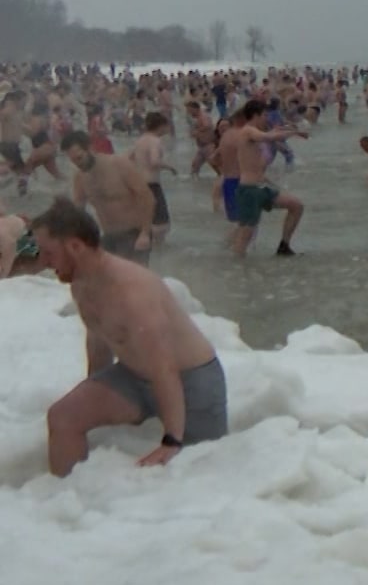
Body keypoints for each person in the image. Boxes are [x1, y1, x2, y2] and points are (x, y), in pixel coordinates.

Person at [31, 198, 228, 478]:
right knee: (63, 417)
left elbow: (164, 367)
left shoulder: (132, 291)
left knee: (201, 467)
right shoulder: (81, 285)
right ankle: (66, 495)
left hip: (191, 383)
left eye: (48, 253)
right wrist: (94, 388)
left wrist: (171, 439)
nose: (43, 261)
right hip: (133, 377)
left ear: (75, 246)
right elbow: (98, 343)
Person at [215, 101, 308, 256]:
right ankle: (236, 266)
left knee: (296, 206)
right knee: (245, 236)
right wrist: (294, 133)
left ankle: (284, 246)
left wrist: (289, 129)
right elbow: (268, 137)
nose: (267, 118)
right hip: (249, 190)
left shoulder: (253, 131)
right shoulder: (247, 131)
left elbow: (271, 132)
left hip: (261, 188)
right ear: (255, 115)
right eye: (264, 115)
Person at [61, 133, 155, 266]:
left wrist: (145, 233)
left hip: (134, 233)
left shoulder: (119, 164)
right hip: (108, 236)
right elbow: (78, 209)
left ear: (90, 148)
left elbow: (147, 197)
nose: (78, 164)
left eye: (79, 158)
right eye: (73, 161)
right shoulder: (80, 177)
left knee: (131, 276)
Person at [127, 111, 177, 248]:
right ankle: (158, 249)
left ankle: (145, 247)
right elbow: (154, 161)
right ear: (161, 126)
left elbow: (129, 158)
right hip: (152, 184)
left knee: (145, 219)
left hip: (139, 184)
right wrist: (170, 167)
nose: (168, 128)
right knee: (162, 224)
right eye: (166, 125)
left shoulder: (141, 140)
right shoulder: (155, 141)